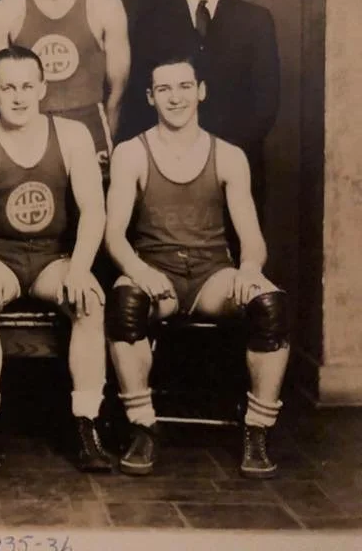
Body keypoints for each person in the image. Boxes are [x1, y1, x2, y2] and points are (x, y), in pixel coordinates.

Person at [105, 55, 290, 479]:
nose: (176, 97)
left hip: (212, 277)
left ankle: (257, 430)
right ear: (151, 97)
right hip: (156, 271)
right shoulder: (131, 153)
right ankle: (143, 426)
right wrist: (141, 271)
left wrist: (249, 269)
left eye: (185, 87)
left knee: (269, 305)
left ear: (200, 91)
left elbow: (252, 237)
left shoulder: (228, 155)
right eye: (165, 89)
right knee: (125, 303)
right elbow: (113, 234)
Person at [0, 46, 112, 473]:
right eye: (8, 87)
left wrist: (78, 269)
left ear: (42, 87)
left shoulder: (73, 136)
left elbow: (94, 210)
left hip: (51, 257)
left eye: (27, 86)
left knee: (90, 301)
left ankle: (87, 423)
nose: (18, 96)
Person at [122, 0, 280, 214]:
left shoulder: (256, 21)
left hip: (237, 163)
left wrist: (218, 158)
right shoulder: (150, 22)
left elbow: (265, 104)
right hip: (166, 167)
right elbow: (139, 99)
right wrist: (173, 156)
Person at [0, 0, 130, 177]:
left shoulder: (105, 4)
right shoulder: (6, 10)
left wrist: (105, 146)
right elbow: (3, 93)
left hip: (92, 135)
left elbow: (118, 93)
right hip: (30, 137)